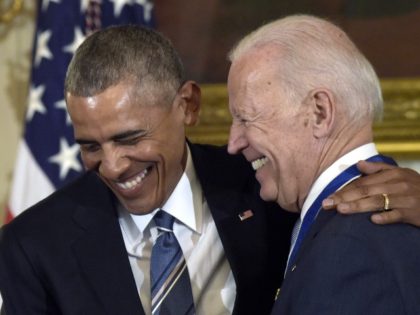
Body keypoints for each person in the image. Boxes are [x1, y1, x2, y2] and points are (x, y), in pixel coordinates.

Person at [0, 24, 419, 315]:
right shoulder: (33, 246)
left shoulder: (265, 188)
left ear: (188, 106)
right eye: (90, 146)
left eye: (129, 138)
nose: (110, 165)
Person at [226, 14, 420, 314]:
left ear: (320, 112)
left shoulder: (351, 246)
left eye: (246, 118)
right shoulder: (361, 223)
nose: (233, 142)